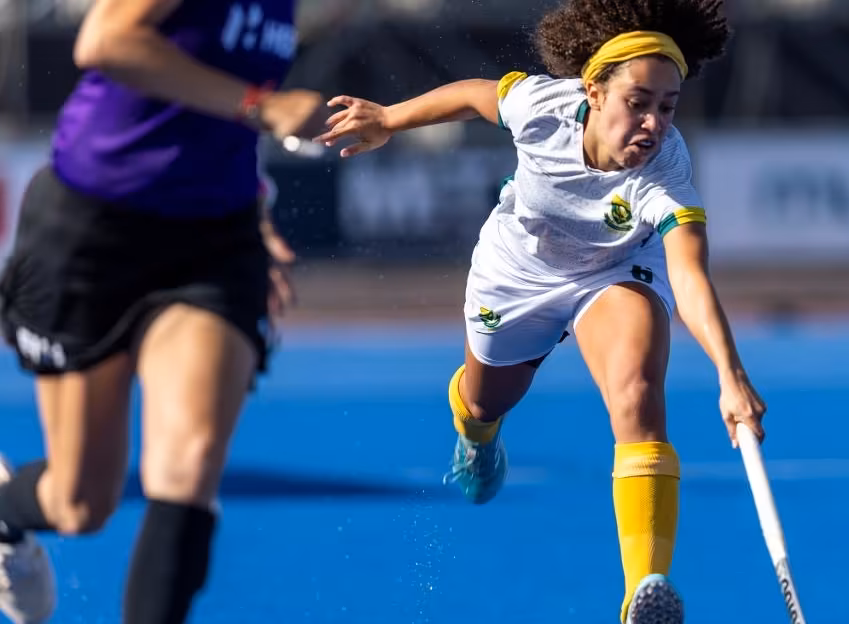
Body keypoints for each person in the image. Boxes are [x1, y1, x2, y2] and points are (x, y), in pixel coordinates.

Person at [316, 0, 765, 621]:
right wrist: (390, 118)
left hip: (613, 271)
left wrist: (730, 375)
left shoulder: (665, 175)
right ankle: (477, 435)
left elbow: (688, 275)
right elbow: (473, 96)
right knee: (485, 402)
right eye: (638, 102)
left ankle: (644, 590)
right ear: (594, 92)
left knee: (638, 394)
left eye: (667, 107)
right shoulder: (542, 107)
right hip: (518, 272)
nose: (653, 124)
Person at [0, 0, 327, 622]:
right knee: (79, 504)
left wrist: (257, 207)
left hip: (213, 241)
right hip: (92, 229)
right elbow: (104, 41)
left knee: (190, 464)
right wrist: (262, 106)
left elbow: (216, 119)